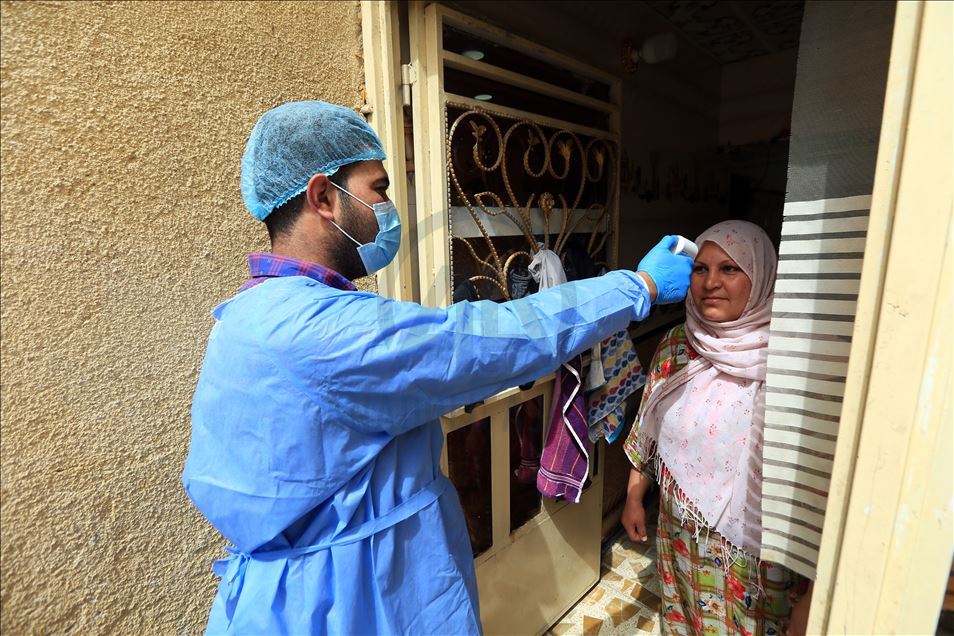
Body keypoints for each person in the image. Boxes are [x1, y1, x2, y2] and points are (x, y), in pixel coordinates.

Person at [181, 100, 695, 635]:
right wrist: (638, 286)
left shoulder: (245, 315)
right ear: (324, 197)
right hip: (354, 598)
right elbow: (497, 338)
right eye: (379, 188)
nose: (387, 206)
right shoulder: (323, 332)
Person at [621, 220, 808, 635]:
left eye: (729, 269)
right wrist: (635, 495)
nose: (710, 283)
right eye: (700, 269)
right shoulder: (677, 345)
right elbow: (647, 427)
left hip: (754, 562)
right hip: (681, 541)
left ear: (761, 276)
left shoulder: (791, 360)